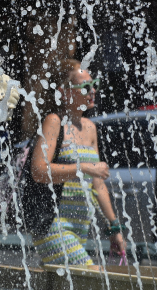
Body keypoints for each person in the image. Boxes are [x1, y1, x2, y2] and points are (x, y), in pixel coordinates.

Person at [27, 59, 125, 266]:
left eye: (94, 84)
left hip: (80, 227)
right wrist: (84, 168)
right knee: (90, 277)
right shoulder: (53, 121)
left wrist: (114, 228)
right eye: (86, 86)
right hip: (53, 225)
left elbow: (98, 185)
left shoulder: (90, 128)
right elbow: (39, 170)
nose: (93, 91)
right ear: (65, 92)